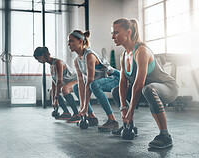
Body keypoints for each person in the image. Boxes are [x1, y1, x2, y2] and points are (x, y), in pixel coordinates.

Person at [110, 18, 178, 149]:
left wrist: (131, 111)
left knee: (148, 89)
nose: (113, 36)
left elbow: (139, 83)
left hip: (168, 88)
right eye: (112, 33)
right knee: (116, 91)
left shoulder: (141, 51)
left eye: (116, 32)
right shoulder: (124, 55)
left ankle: (165, 135)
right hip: (146, 89)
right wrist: (123, 108)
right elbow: (123, 82)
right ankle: (129, 126)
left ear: (128, 32)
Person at [67, 30, 119, 131]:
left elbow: (89, 82)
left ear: (80, 42)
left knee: (94, 85)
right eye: (68, 41)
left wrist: (85, 106)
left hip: (115, 78)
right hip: (102, 80)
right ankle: (91, 117)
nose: (68, 44)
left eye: (71, 41)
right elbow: (81, 82)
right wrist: (82, 107)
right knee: (76, 87)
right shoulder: (76, 60)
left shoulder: (89, 56)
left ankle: (112, 120)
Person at [33, 47, 79, 120]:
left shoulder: (58, 63)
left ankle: (77, 115)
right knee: (52, 90)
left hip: (78, 80)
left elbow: (59, 82)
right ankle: (66, 113)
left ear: (43, 55)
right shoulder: (51, 66)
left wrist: (56, 99)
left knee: (64, 89)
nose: (39, 61)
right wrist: (53, 101)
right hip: (68, 82)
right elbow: (54, 82)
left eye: (38, 58)